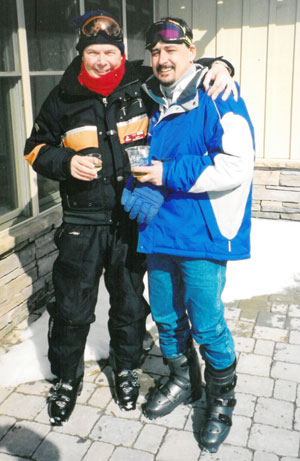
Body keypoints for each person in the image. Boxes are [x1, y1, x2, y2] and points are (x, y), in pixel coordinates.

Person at [24, 10, 236, 427]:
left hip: (130, 218)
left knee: (127, 305)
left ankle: (126, 370)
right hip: (81, 222)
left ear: (121, 53)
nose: (102, 60)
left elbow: (189, 66)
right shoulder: (62, 96)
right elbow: (34, 148)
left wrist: (223, 66)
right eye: (93, 53)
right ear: (80, 54)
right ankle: (66, 380)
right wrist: (65, 162)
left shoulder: (142, 81)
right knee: (71, 307)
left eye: (109, 52)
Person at [122, 17, 255, 453]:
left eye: (172, 50)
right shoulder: (147, 99)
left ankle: (221, 399)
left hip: (202, 234)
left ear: (191, 53)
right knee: (164, 316)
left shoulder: (220, 96)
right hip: (158, 232)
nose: (162, 59)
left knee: (207, 322)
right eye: (156, 52)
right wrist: (138, 185)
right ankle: (184, 379)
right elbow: (142, 160)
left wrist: (166, 173)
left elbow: (237, 165)